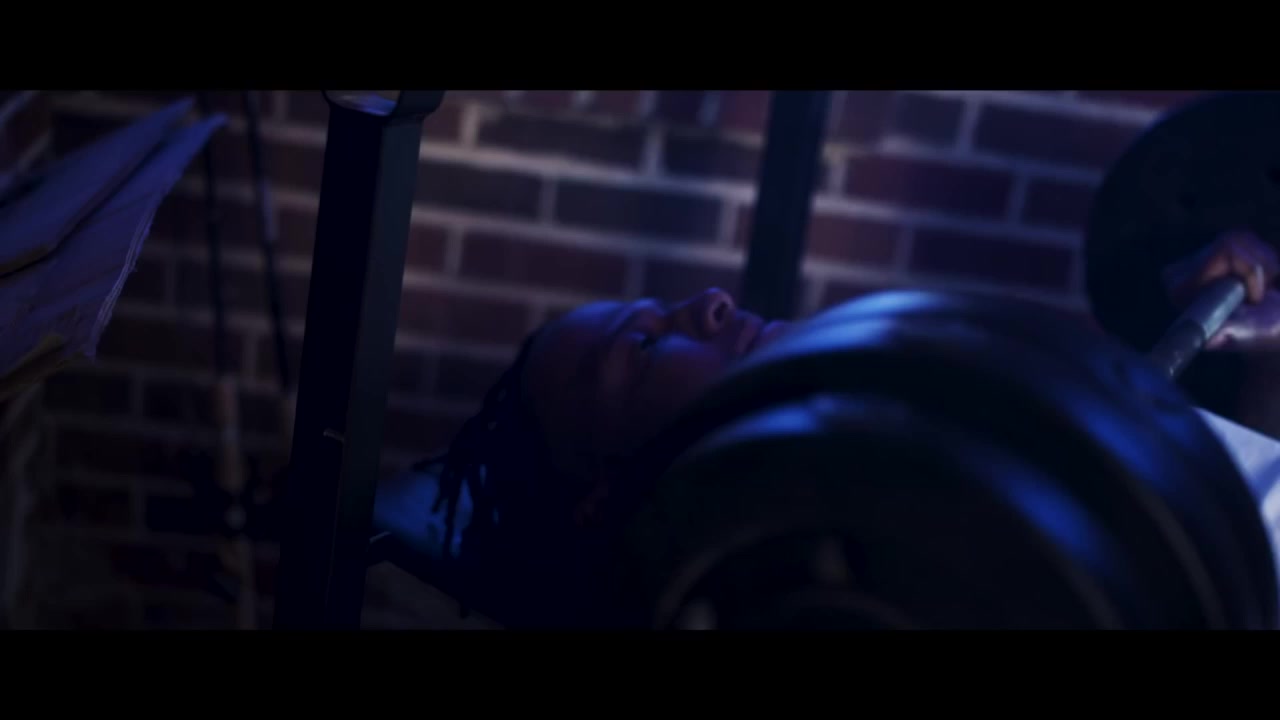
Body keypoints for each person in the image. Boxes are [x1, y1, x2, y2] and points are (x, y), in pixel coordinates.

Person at [420, 229, 1280, 626]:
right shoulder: (869, 576)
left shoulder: (933, 450)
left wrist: (1263, 345)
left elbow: (1241, 499)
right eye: (643, 348)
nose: (711, 302)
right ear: (603, 494)